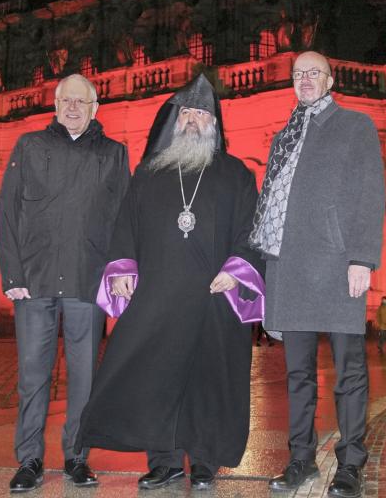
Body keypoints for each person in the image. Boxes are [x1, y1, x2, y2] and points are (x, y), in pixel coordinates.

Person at [76, 74, 265, 491]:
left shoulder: (235, 174)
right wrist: (123, 268)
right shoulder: (149, 172)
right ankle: (163, 460)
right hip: (157, 294)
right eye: (188, 113)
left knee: (207, 377)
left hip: (213, 297)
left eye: (202, 113)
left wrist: (235, 270)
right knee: (154, 374)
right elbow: (125, 224)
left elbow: (251, 229)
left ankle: (204, 458)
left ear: (214, 123)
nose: (194, 120)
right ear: (175, 121)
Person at [250, 51, 385, 498]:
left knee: (349, 370)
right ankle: (300, 459)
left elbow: (370, 192)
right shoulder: (283, 135)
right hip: (288, 264)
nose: (305, 80)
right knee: (297, 374)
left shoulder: (355, 125)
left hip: (336, 260)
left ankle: (350, 462)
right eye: (298, 74)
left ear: (330, 80)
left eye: (313, 73)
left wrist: (363, 258)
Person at [0, 74, 130, 493]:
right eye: (65, 100)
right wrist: (12, 275)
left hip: (86, 279)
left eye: (81, 101)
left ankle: (76, 455)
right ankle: (30, 458)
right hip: (33, 281)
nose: (73, 107)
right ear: (54, 105)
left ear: (95, 107)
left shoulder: (113, 153)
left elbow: (124, 218)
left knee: (84, 376)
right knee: (33, 376)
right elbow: (6, 211)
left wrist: (121, 269)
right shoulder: (29, 146)